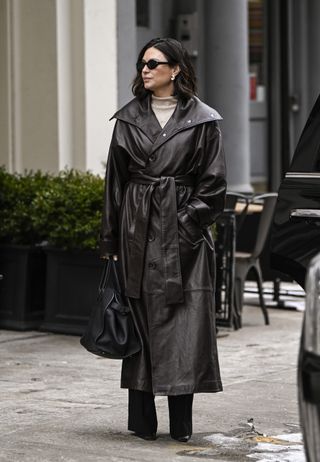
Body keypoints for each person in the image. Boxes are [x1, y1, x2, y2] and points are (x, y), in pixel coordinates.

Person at [100, 37, 226, 442]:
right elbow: (114, 185)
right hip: (136, 233)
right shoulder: (129, 119)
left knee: (182, 330)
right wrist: (111, 243)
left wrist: (186, 225)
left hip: (182, 242)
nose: (145, 69)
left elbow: (215, 186)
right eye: (142, 63)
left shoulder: (203, 120)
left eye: (154, 63)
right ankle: (142, 421)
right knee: (140, 326)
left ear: (175, 69)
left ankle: (181, 424)